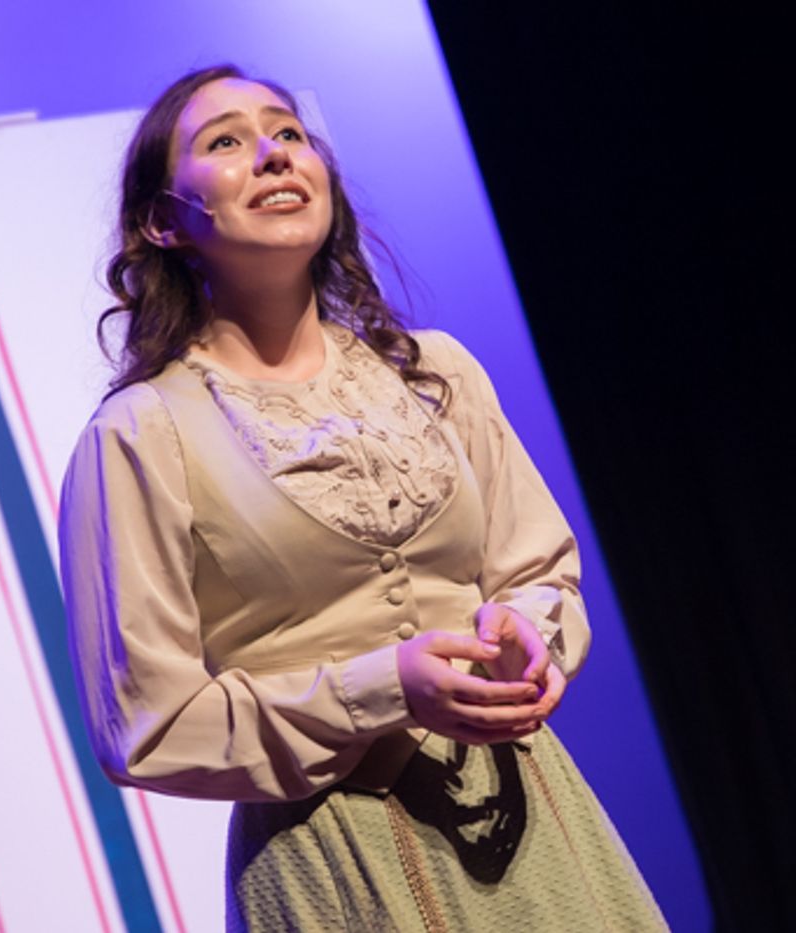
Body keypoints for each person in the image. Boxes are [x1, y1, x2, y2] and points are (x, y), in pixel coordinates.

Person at [59, 64, 667, 931]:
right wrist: (385, 687)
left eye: (289, 133)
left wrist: (530, 637)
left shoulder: (436, 373)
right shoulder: (141, 434)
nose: (272, 154)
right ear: (163, 221)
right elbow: (148, 725)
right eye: (225, 142)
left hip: (529, 810)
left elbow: (542, 571)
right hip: (334, 850)